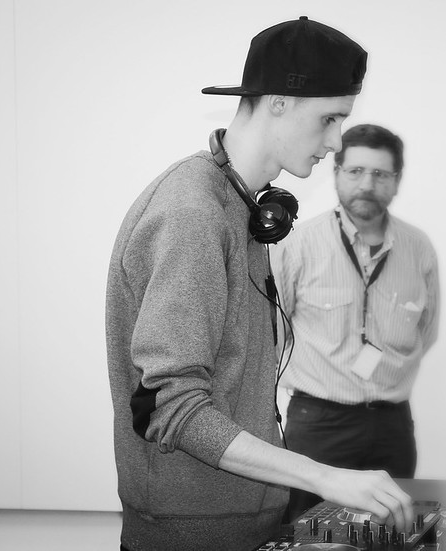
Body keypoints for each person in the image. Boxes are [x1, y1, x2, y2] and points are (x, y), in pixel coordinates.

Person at [105, 17, 413, 551]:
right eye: (329, 119)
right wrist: (324, 476)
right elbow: (168, 406)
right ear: (278, 103)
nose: (336, 142)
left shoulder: (242, 207)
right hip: (192, 536)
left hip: (245, 524)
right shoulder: (193, 213)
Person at [271, 123, 440, 519]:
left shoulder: (418, 249)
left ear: (397, 180)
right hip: (318, 426)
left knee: (393, 532)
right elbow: (273, 335)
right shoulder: (298, 244)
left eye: (380, 174)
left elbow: (427, 331)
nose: (367, 184)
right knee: (309, 535)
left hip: (393, 427)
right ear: (336, 173)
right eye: (356, 171)